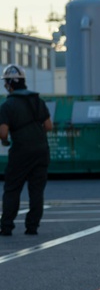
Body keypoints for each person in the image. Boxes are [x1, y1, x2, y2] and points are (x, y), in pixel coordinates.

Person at [0, 64, 52, 236]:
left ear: (9, 83)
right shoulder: (38, 101)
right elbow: (48, 126)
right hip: (41, 150)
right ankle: (32, 227)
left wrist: (6, 141)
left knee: (13, 188)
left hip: (21, 151)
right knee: (36, 190)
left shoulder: (8, 105)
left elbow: (3, 132)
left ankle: (6, 226)